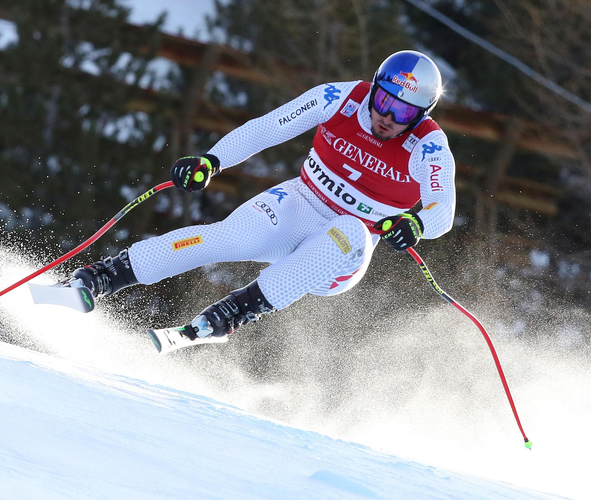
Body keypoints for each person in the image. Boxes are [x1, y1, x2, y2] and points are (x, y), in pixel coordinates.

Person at [68, 50, 456, 341]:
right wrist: (212, 161)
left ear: (421, 115)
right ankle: (101, 277)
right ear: (374, 88)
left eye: (404, 113)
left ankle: (232, 313)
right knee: (225, 237)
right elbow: (265, 129)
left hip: (340, 252)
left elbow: (443, 210)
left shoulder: (429, 146)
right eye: (385, 101)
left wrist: (416, 223)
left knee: (351, 229)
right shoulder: (340, 97)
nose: (388, 117)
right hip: (301, 202)